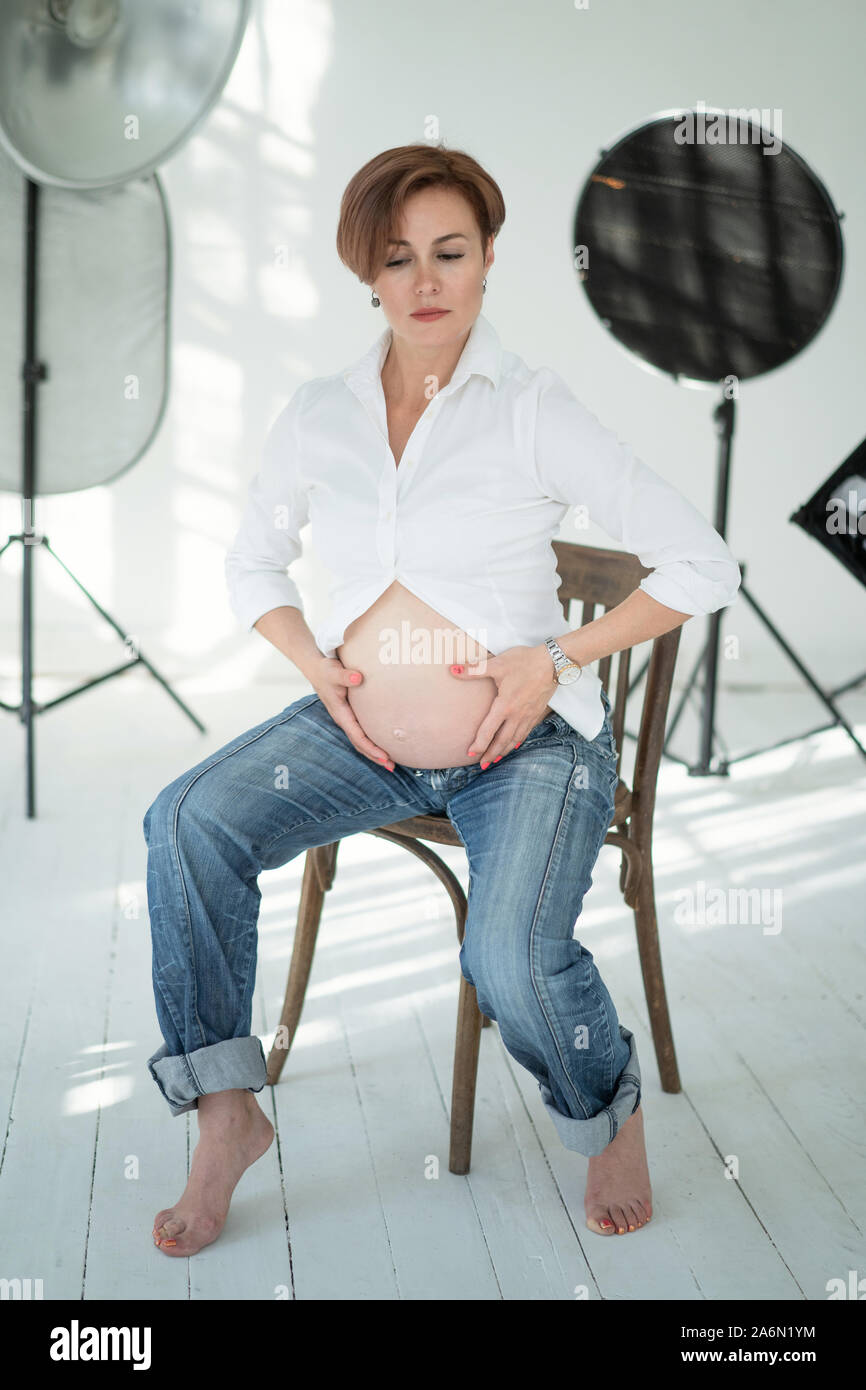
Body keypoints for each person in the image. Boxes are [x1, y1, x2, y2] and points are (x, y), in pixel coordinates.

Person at [144, 142, 741, 1258]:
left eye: (449, 253)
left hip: (525, 745)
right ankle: (225, 1114)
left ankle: (603, 1106)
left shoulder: (528, 407)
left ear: (487, 261)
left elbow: (701, 565)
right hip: (360, 735)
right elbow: (249, 565)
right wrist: (312, 665)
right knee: (186, 821)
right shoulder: (321, 410)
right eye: (397, 257)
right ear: (365, 274)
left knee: (509, 959)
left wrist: (554, 658)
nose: (425, 280)